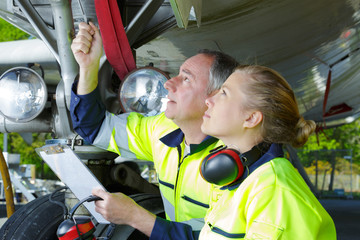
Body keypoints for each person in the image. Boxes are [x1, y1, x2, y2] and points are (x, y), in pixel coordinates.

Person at [92, 65, 336, 239]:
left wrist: (136, 217)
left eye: (224, 94)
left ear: (251, 118)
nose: (209, 100)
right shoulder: (239, 179)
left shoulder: (274, 192)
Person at [70, 22, 239, 232]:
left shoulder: (236, 161)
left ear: (214, 97)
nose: (168, 83)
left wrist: (134, 215)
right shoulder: (163, 129)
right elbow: (93, 127)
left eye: (186, 79)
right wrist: (88, 67)